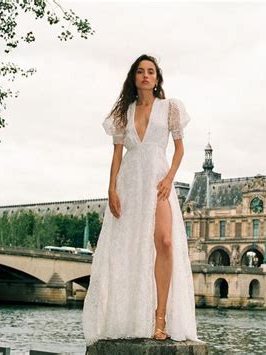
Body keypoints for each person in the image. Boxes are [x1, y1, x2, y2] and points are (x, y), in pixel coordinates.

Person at [82, 54, 199, 345]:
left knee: (166, 241)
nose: (146, 76)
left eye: (151, 71)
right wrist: (111, 189)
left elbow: (180, 149)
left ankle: (161, 317)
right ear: (134, 78)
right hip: (130, 183)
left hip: (159, 180)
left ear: (157, 78)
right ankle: (130, 316)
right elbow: (117, 155)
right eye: (140, 71)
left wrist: (170, 177)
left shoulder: (170, 108)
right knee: (131, 250)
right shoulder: (123, 113)